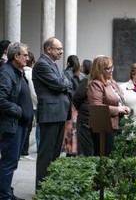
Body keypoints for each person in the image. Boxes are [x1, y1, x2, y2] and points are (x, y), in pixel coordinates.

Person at [33, 37, 72, 190]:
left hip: (58, 113)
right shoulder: (42, 64)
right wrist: (64, 83)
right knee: (46, 153)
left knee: (55, 153)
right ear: (48, 49)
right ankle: (41, 188)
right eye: (58, 49)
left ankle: (49, 186)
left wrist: (64, 82)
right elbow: (59, 84)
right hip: (50, 113)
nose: (61, 51)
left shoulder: (53, 64)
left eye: (61, 48)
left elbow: (65, 81)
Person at [0, 42, 33, 200]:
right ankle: (4, 195)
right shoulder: (6, 73)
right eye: (25, 55)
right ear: (16, 56)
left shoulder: (17, 72)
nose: (27, 57)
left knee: (12, 162)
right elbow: (1, 99)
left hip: (19, 125)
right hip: (11, 125)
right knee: (8, 162)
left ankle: (7, 191)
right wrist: (19, 111)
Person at [87, 56, 130, 155]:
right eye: (107, 68)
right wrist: (118, 109)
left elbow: (118, 100)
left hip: (117, 124)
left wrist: (124, 107)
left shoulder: (112, 82)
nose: (111, 71)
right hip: (104, 126)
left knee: (116, 156)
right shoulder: (95, 84)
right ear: (99, 70)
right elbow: (96, 107)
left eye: (112, 67)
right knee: (105, 155)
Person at [63, 55, 85, 156]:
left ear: (68, 63)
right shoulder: (82, 76)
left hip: (70, 105)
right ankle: (75, 150)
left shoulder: (65, 74)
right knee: (75, 129)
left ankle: (69, 150)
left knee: (69, 129)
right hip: (78, 105)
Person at [21, 51, 38, 159]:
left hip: (22, 104)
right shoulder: (31, 73)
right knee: (28, 129)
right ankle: (24, 151)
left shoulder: (21, 72)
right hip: (31, 105)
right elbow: (33, 92)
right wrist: (37, 103)